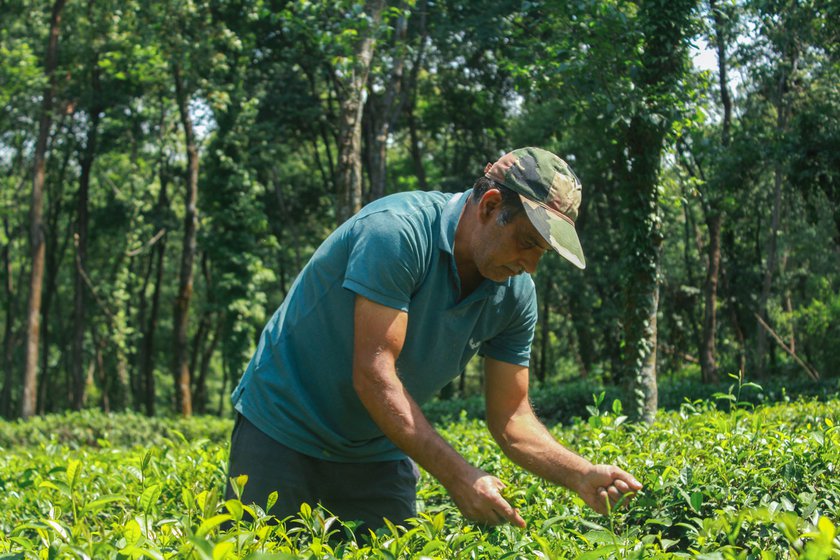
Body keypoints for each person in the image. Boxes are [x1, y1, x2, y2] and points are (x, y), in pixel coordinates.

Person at [225, 147, 642, 532]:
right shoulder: (396, 233)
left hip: (377, 445)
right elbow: (374, 375)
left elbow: (512, 417)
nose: (531, 265)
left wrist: (580, 473)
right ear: (491, 205)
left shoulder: (515, 295)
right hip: (281, 425)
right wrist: (460, 476)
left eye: (543, 252)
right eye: (527, 242)